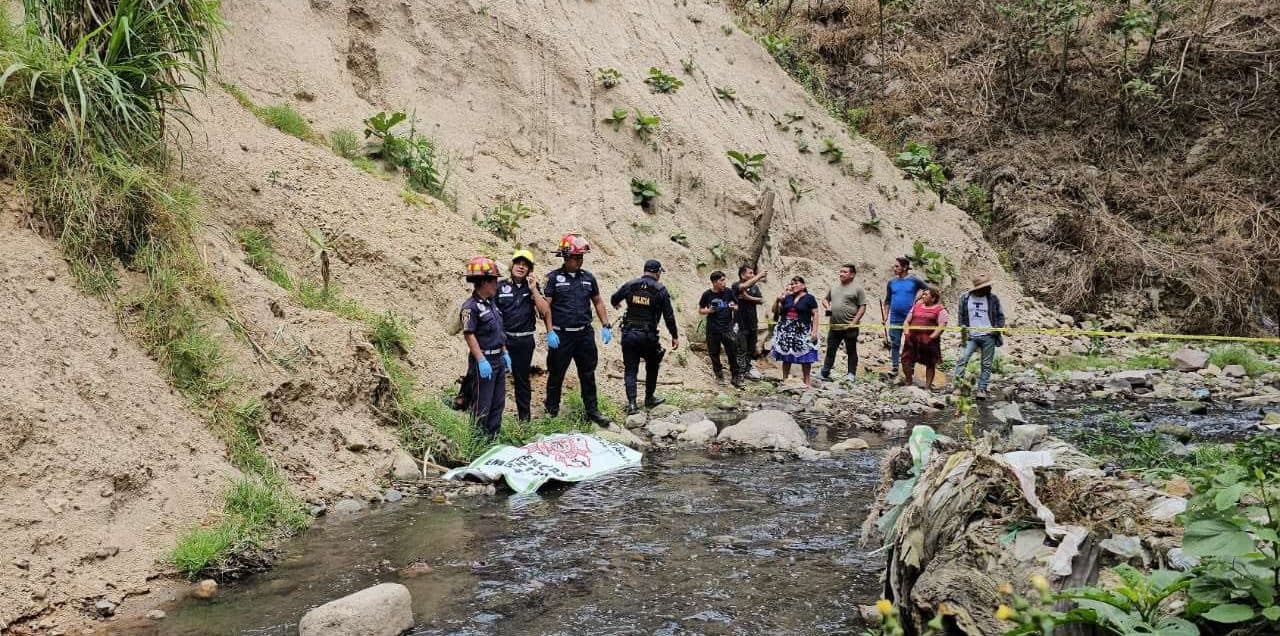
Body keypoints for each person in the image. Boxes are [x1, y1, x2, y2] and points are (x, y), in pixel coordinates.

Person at [452, 250, 555, 421]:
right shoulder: (499, 287)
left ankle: (524, 419)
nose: (521, 267)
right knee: (477, 373)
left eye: (525, 265)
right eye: (518, 263)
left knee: (522, 380)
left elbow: (545, 311)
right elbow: (486, 311)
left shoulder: (533, 288)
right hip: (501, 340)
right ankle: (464, 400)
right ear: (512, 265)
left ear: (530, 269)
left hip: (524, 340)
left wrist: (534, 291)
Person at [543, 232, 613, 425]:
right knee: (556, 374)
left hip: (584, 335)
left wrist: (606, 324)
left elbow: (598, 302)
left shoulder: (589, 278)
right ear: (565, 257)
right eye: (575, 257)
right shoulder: (553, 278)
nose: (579, 261)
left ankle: (592, 411)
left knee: (588, 374)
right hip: (561, 335)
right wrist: (549, 331)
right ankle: (551, 411)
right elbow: (545, 307)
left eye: (581, 257)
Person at [611, 259, 679, 414]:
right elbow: (669, 316)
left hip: (629, 333)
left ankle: (632, 404)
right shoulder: (660, 289)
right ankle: (649, 398)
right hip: (648, 336)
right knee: (652, 365)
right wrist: (674, 335)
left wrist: (617, 305)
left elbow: (614, 298)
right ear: (657, 272)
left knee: (630, 370)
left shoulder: (631, 285)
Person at [459, 256, 510, 438]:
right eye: (494, 280)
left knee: (498, 403)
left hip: (497, 359)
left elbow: (498, 331)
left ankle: (492, 439)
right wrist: (481, 360)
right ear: (483, 282)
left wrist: (504, 353)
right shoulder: (470, 307)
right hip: (484, 361)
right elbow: (469, 334)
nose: (497, 284)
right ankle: (477, 440)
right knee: (482, 404)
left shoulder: (491, 304)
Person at [953, 273, 1006, 400]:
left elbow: (1000, 316)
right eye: (987, 286)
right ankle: (957, 386)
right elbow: (961, 317)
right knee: (962, 359)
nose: (990, 288)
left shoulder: (993, 299)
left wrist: (996, 330)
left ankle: (981, 389)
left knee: (986, 364)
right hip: (971, 336)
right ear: (979, 288)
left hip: (989, 336)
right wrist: (963, 334)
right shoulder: (965, 298)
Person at [819, 264, 867, 383]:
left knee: (851, 350)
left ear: (852, 275)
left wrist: (854, 322)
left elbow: (862, 307)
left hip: (850, 326)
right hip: (834, 325)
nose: (841, 274)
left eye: (845, 272)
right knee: (830, 349)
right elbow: (825, 299)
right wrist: (827, 306)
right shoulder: (834, 287)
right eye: (840, 271)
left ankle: (851, 374)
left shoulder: (858, 289)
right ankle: (825, 372)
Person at [771, 275, 821, 387]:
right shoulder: (787, 297)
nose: (793, 285)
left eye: (796, 283)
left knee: (806, 356)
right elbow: (775, 310)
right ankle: (785, 380)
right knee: (786, 356)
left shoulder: (809, 298)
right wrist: (777, 300)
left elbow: (816, 314)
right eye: (792, 284)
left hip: (802, 330)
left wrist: (814, 331)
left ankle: (807, 382)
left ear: (803, 285)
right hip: (786, 329)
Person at [881, 256, 927, 377]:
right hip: (895, 317)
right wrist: (885, 316)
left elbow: (927, 290)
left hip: (910, 318)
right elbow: (887, 300)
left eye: (897, 266)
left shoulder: (914, 280)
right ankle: (895, 367)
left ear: (905, 267)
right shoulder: (891, 282)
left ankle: (910, 367)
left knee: (910, 343)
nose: (894, 268)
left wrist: (917, 300)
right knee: (895, 342)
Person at [900, 285, 948, 390]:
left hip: (929, 341)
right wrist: (907, 333)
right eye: (923, 294)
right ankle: (908, 382)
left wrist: (931, 338)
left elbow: (941, 326)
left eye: (926, 295)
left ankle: (927, 387)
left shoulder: (940, 310)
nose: (923, 296)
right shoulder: (916, 307)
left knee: (930, 363)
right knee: (905, 359)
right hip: (912, 339)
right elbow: (907, 321)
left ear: (933, 298)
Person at [699, 270, 742, 386]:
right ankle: (719, 376)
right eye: (722, 280)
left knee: (732, 352)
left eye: (724, 280)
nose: (724, 282)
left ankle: (735, 377)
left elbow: (737, 306)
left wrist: (734, 307)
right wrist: (709, 310)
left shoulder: (729, 292)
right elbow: (701, 310)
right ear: (714, 282)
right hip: (712, 329)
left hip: (728, 328)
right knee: (714, 353)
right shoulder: (707, 294)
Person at [731, 265, 768, 380]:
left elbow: (761, 300)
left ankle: (747, 369)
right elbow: (744, 286)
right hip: (740, 323)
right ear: (742, 275)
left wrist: (748, 298)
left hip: (752, 322)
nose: (752, 275)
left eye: (753, 273)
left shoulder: (755, 288)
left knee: (751, 348)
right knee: (741, 348)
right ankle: (739, 372)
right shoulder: (736, 285)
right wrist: (759, 275)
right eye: (750, 273)